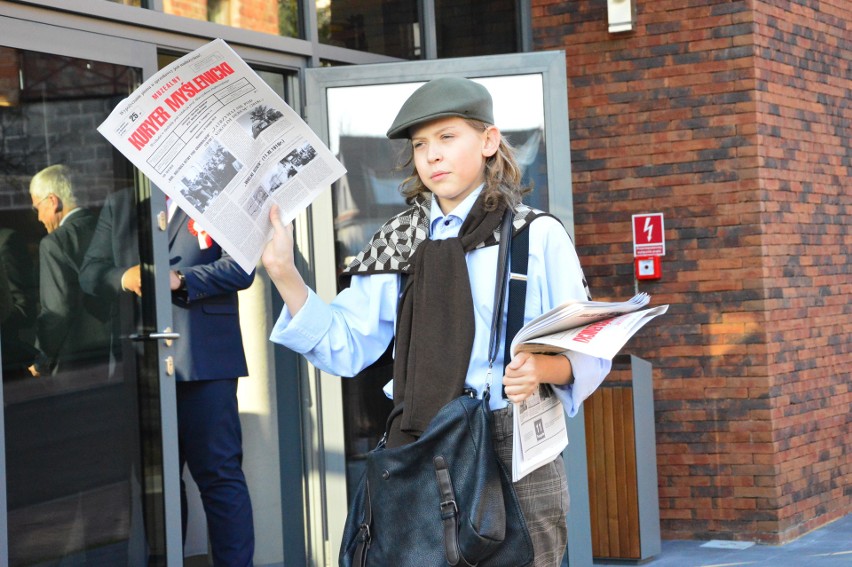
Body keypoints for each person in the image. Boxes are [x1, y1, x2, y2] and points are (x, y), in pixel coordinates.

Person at [262, 77, 612, 566]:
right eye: (421, 145)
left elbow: (591, 348)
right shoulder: (399, 241)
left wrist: (544, 371)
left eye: (448, 137)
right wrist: (284, 274)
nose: (432, 156)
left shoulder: (537, 235)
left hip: (513, 448)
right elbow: (347, 344)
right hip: (421, 449)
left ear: (488, 141)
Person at [79, 187, 256, 566]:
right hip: (142, 362)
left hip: (203, 362)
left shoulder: (218, 196)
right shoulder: (122, 202)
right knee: (156, 483)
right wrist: (122, 277)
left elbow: (242, 269)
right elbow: (90, 273)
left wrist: (181, 279)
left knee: (220, 477)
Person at [27, 164, 109, 377]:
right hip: (118, 353)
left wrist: (41, 360)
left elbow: (57, 312)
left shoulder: (54, 243)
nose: (38, 218)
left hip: (74, 362)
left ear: (52, 201)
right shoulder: (108, 230)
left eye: (37, 208)